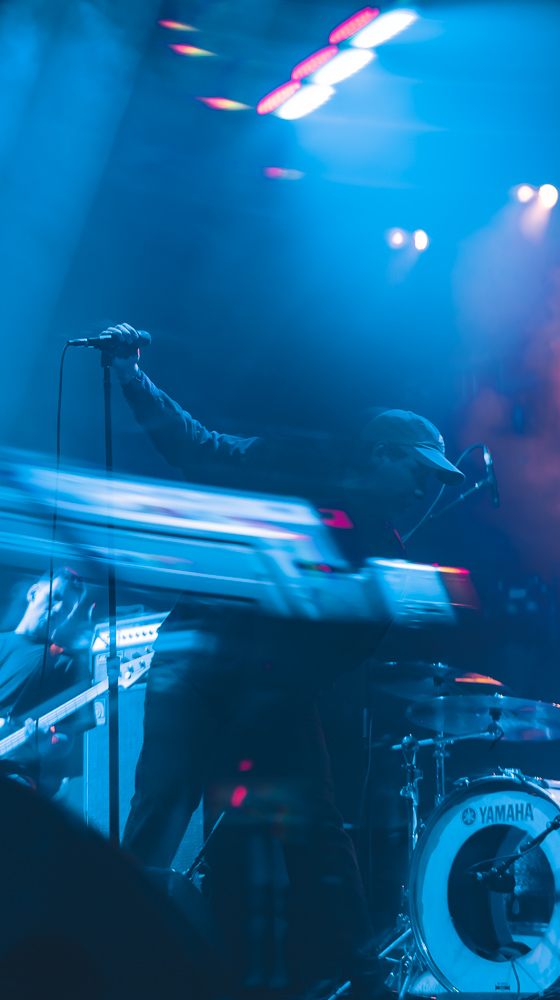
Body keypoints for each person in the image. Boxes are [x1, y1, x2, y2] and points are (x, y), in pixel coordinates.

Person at [107, 323, 464, 998]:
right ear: (382, 455)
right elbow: (195, 446)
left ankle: (365, 975)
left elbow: (337, 654)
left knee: (318, 830)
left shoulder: (384, 551)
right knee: (161, 808)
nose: (427, 489)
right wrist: (130, 373)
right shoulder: (285, 467)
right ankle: (107, 953)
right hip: (200, 667)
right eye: (418, 472)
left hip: (272, 694)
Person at [0, 567, 90, 793]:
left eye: (68, 607)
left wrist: (46, 743)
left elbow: (65, 739)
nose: (59, 609)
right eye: (55, 598)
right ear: (33, 593)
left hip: (15, 772)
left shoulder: (66, 663)